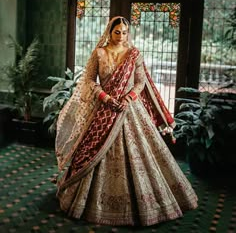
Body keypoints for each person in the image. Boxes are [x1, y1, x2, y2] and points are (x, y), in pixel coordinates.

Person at [55, 16, 198, 226]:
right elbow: (88, 81)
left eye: (124, 32)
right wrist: (106, 98)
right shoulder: (99, 53)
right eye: (117, 32)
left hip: (129, 109)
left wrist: (127, 98)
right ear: (109, 32)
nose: (121, 36)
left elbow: (141, 82)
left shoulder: (134, 54)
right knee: (91, 150)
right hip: (104, 109)